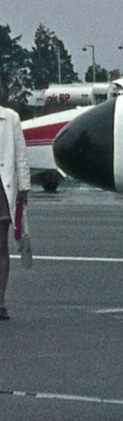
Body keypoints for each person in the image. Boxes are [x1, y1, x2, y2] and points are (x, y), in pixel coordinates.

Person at [0, 103, 30, 321]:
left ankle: (0, 302)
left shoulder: (10, 118)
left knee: (1, 246)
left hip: (3, 186)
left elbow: (20, 155)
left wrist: (24, 187)